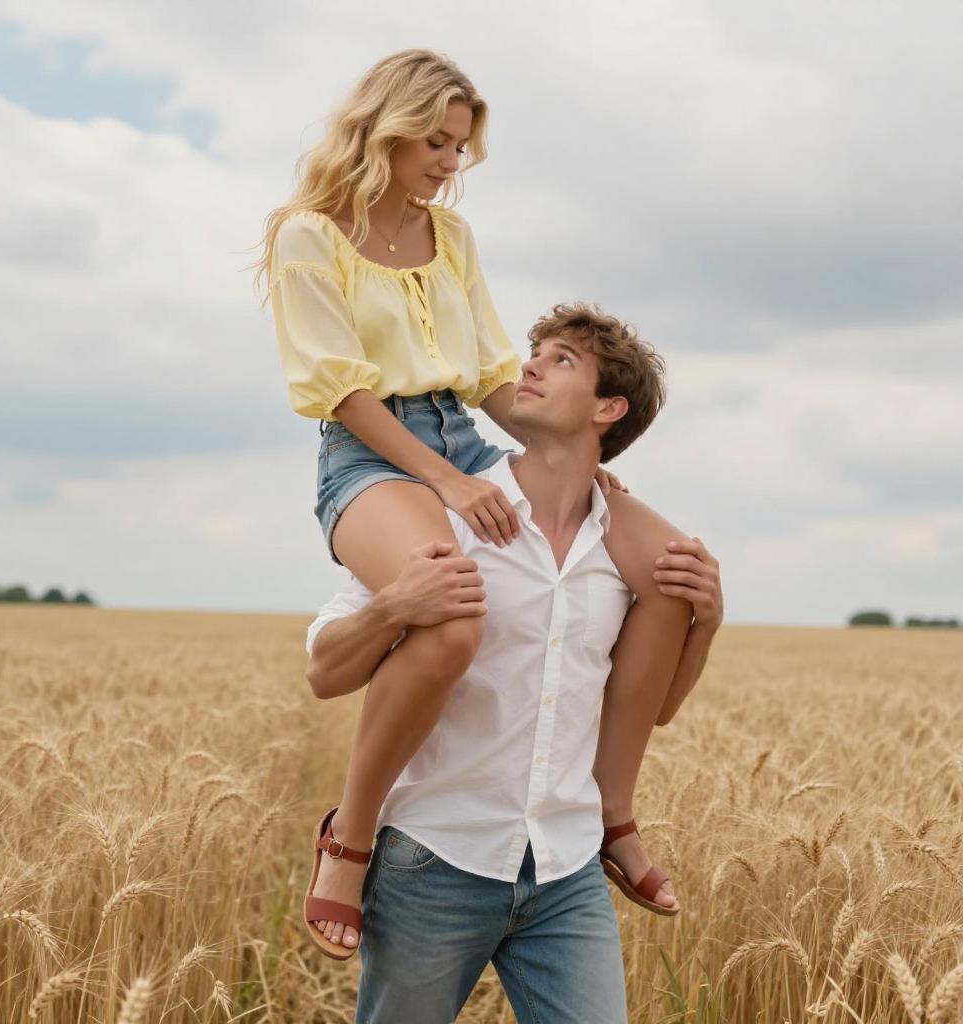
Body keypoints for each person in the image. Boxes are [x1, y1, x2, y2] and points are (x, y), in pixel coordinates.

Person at [254, 48, 717, 956]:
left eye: (460, 148)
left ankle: (613, 814)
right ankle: (349, 838)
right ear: (383, 128)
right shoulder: (307, 233)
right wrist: (449, 481)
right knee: (454, 615)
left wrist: (569, 454)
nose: (449, 165)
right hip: (368, 454)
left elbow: (495, 378)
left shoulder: (451, 240)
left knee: (665, 572)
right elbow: (340, 390)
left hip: (461, 435)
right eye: (434, 142)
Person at [301, 307, 723, 1023]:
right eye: (534, 352)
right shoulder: (444, 511)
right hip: (432, 862)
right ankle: (348, 839)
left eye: (561, 360)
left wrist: (705, 624)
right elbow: (323, 673)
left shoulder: (626, 557)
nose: (528, 366)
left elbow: (656, 709)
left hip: (566, 869)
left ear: (607, 409)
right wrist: (393, 605)